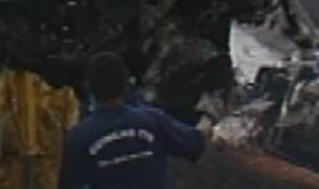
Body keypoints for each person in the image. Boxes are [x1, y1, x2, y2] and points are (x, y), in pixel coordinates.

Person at [57, 52, 218, 188]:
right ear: (126, 84)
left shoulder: (80, 137)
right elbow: (197, 142)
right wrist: (209, 114)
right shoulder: (152, 121)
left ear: (89, 87)